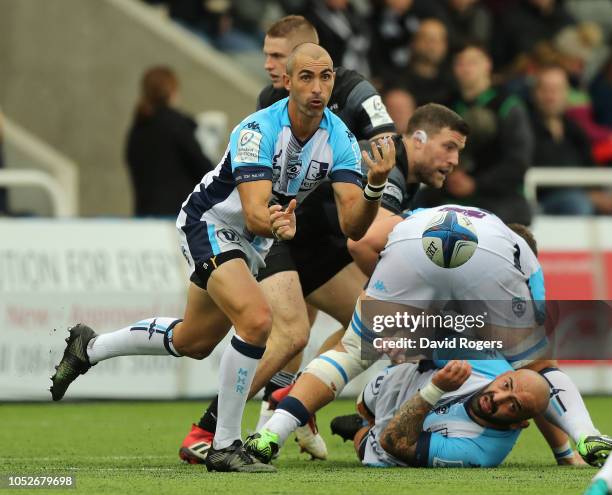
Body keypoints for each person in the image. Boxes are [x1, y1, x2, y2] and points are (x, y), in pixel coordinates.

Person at [50, 43, 397, 473]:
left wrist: (375, 187)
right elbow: (252, 213)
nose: (317, 87)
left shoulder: (340, 137)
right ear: (286, 82)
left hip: (254, 240)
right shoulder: (257, 130)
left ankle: (90, 346)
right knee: (256, 320)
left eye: (325, 77)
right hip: (210, 222)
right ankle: (224, 444)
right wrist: (281, 227)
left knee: (192, 342)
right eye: (306, 76)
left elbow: (353, 228)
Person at [179, 15, 399, 464]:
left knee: (378, 325)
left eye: (277, 56)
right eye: (268, 57)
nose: (267, 65)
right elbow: (259, 201)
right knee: (288, 331)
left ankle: (292, 406)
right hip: (275, 229)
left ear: (314, 58)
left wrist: (378, 187)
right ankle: (215, 429)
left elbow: (385, 145)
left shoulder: (356, 95)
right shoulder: (267, 109)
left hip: (321, 236)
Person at [244, 205, 612, 467]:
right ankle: (587, 435)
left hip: (412, 247)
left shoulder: (418, 213)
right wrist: (565, 451)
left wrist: (392, 303)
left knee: (350, 352)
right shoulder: (522, 258)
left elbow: (361, 243)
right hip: (486, 267)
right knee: (539, 365)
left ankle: (271, 434)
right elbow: (540, 374)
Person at [341, 359, 550, 468]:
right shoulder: (490, 363)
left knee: (371, 446)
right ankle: (365, 414)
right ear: (503, 374)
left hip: (400, 435)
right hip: (403, 385)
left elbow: (393, 441)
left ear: (518, 424)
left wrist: (435, 390)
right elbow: (436, 335)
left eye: (513, 406)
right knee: (366, 400)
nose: (497, 398)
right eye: (506, 385)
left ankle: (360, 428)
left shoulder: (478, 452)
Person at [415, 43, 534, 225]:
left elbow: (518, 161)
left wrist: (476, 184)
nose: (465, 69)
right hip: (448, 192)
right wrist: (449, 179)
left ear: (488, 65)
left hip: (500, 197)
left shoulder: (508, 106)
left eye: (472, 62)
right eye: (460, 63)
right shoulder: (445, 106)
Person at [126, 66, 213, 217]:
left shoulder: (137, 128)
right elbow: (204, 169)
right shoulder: (177, 124)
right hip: (178, 217)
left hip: (144, 216)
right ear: (172, 92)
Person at [528, 65, 596, 215]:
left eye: (557, 89)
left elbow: (590, 168)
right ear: (535, 93)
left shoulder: (575, 130)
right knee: (577, 203)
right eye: (545, 89)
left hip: (582, 195)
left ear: (566, 93)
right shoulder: (524, 128)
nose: (551, 96)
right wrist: (591, 196)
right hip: (540, 202)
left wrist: (594, 194)